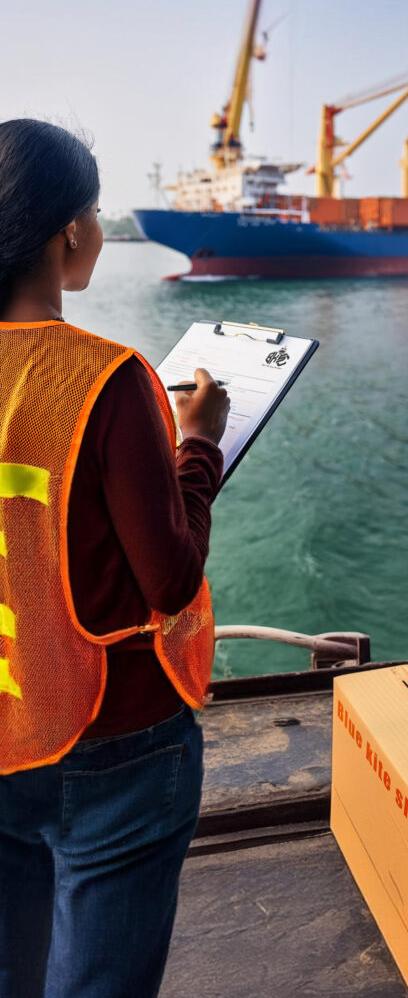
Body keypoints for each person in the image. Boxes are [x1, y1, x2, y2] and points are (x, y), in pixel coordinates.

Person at [0, 119, 230, 998]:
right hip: (114, 739)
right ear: (69, 231)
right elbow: (169, 578)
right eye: (94, 212)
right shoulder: (105, 377)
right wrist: (197, 445)